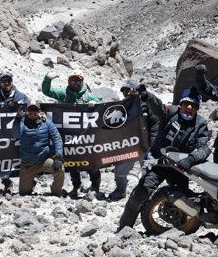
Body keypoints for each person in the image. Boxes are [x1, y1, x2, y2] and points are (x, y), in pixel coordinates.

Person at [117, 86, 211, 231]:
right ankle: (124, 228)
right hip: (159, 163)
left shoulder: (200, 123)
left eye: (193, 105)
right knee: (140, 193)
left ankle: (179, 231)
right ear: (181, 104)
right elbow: (157, 104)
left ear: (197, 108)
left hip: (180, 167)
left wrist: (191, 159)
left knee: (182, 202)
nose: (189, 107)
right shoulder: (170, 113)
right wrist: (146, 95)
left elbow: (205, 148)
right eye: (186, 104)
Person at [42, 70, 102, 198]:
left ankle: (95, 185)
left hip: (85, 136)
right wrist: (47, 79)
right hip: (68, 135)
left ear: (82, 82)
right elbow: (47, 91)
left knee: (91, 159)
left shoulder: (88, 96)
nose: (75, 83)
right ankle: (76, 185)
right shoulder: (63, 94)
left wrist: (96, 105)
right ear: (69, 82)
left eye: (78, 81)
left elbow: (101, 106)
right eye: (73, 80)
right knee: (72, 161)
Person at [108, 79, 160, 201]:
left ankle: (149, 194)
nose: (126, 92)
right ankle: (121, 190)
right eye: (124, 90)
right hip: (128, 145)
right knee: (120, 169)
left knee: (148, 170)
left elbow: (155, 123)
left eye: (129, 89)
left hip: (145, 144)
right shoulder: (121, 106)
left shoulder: (146, 105)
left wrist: (152, 144)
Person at [10, 101, 65, 196]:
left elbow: (56, 137)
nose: (32, 113)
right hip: (28, 164)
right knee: (24, 193)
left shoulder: (46, 122)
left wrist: (59, 155)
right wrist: (17, 120)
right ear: (27, 110)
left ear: (39, 111)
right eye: (30, 110)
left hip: (44, 160)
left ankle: (56, 192)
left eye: (35, 110)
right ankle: (32, 182)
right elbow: (16, 134)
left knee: (60, 169)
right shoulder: (22, 122)